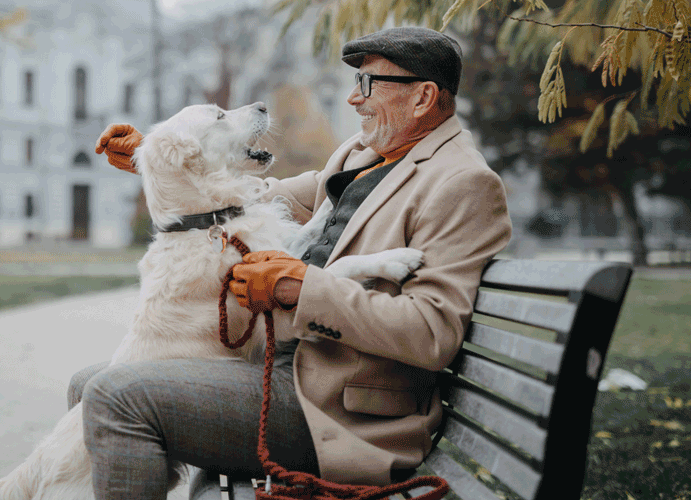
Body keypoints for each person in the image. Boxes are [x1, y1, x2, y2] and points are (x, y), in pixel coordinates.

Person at [72, 26, 512, 499]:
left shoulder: (463, 183)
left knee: (115, 396)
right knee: (89, 382)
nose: (351, 99)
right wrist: (163, 158)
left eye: (367, 85)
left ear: (423, 97)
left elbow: (431, 333)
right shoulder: (365, 155)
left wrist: (302, 288)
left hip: (335, 408)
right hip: (283, 366)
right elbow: (259, 197)